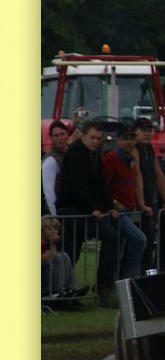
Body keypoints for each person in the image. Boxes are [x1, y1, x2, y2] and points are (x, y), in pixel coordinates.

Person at [55, 120, 124, 307]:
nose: (96, 141)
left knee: (72, 250)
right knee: (103, 240)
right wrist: (92, 208)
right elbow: (79, 185)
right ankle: (98, 287)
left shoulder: (92, 154)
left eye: (99, 139)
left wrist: (108, 206)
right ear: (83, 136)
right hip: (72, 210)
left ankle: (68, 291)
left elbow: (100, 182)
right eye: (93, 137)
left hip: (80, 210)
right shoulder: (76, 153)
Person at [101, 126, 149, 284]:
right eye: (126, 138)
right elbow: (103, 185)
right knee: (139, 240)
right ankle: (128, 280)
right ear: (118, 140)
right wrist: (113, 204)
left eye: (132, 139)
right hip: (116, 213)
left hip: (126, 211)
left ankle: (117, 283)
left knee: (119, 250)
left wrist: (138, 204)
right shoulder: (111, 158)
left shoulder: (130, 159)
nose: (130, 142)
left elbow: (133, 181)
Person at [134, 118, 165, 272]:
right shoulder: (134, 149)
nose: (147, 133)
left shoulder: (149, 149)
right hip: (136, 206)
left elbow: (159, 176)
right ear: (135, 131)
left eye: (149, 130)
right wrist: (141, 204)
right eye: (143, 130)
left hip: (149, 205)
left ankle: (145, 275)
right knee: (138, 244)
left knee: (148, 243)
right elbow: (137, 176)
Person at [41, 215, 83, 298]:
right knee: (58, 258)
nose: (53, 231)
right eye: (49, 229)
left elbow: (52, 255)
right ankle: (60, 291)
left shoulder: (48, 240)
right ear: (42, 231)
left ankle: (70, 288)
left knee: (64, 255)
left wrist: (53, 243)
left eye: (55, 229)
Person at [42, 120, 69, 216]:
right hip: (55, 211)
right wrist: (55, 215)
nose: (60, 138)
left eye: (62, 134)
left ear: (67, 134)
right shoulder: (51, 160)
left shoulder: (69, 152)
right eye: (56, 135)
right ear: (51, 138)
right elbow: (49, 191)